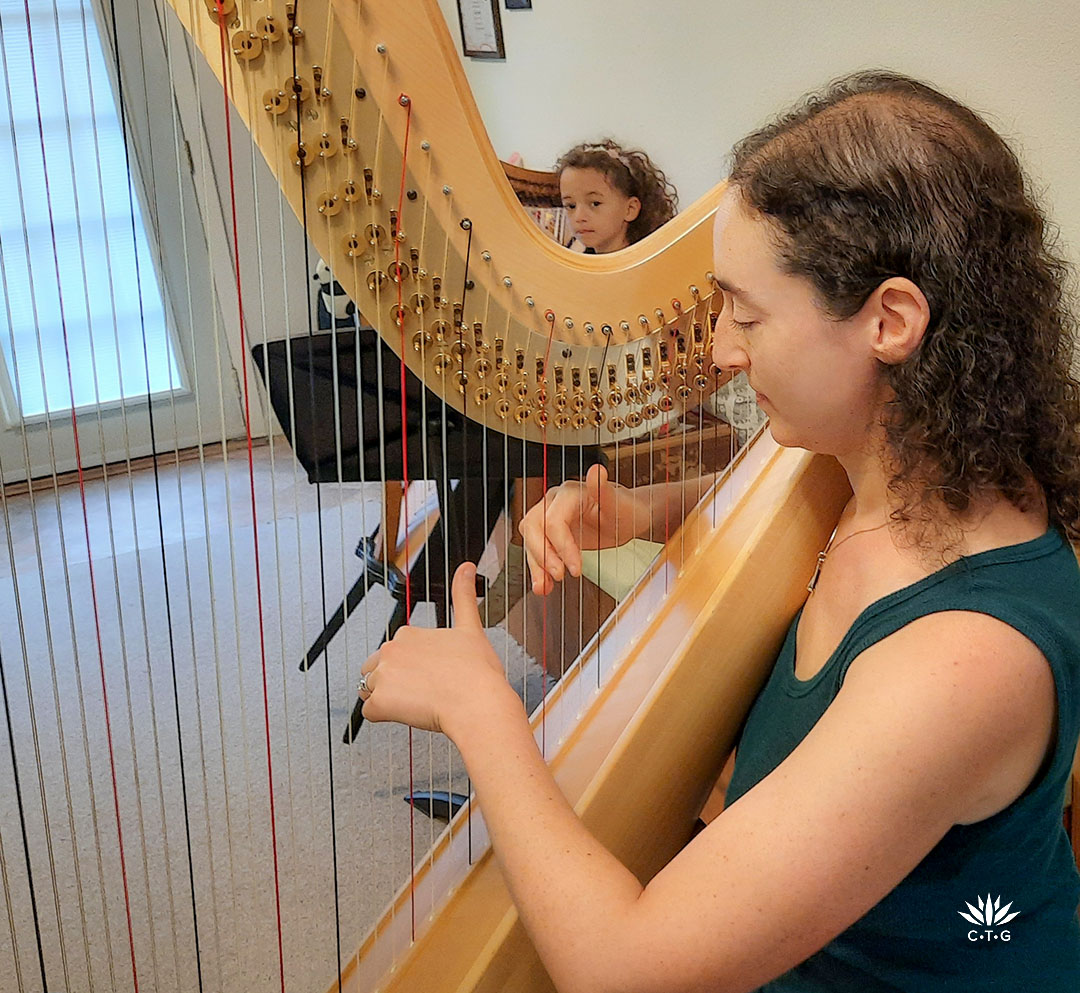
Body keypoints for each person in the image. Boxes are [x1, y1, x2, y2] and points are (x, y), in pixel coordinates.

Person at [355, 70, 1080, 991]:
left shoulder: (965, 662)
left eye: (746, 313)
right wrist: (635, 509)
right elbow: (787, 494)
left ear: (890, 321)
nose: (724, 351)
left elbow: (627, 969)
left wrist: (482, 707)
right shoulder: (898, 453)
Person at [480, 138, 678, 630]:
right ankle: (484, 577)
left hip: (634, 401)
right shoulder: (571, 259)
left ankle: (496, 583)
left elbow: (639, 355)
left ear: (631, 208)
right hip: (584, 401)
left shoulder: (644, 268)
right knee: (489, 440)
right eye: (570, 205)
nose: (579, 216)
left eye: (594, 203)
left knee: (525, 445)